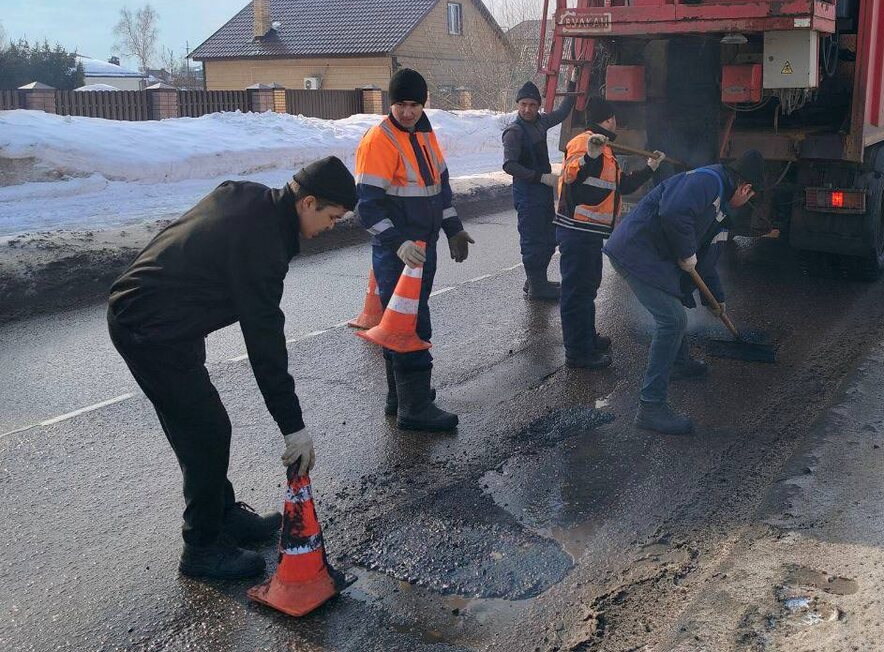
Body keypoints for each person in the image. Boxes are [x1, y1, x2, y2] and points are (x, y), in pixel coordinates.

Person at [107, 156, 357, 580]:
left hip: (168, 320)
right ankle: (201, 549)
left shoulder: (253, 198)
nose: (332, 227)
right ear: (307, 202)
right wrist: (292, 426)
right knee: (206, 432)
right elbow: (265, 343)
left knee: (200, 427)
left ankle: (222, 515)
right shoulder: (263, 244)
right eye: (332, 217)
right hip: (148, 326)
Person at [604, 150, 763, 434]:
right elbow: (673, 212)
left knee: (677, 299)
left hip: (653, 258)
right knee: (672, 320)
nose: (745, 202)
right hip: (635, 252)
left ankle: (679, 363)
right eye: (749, 197)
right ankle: (650, 407)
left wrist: (718, 300)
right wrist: (687, 252)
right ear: (745, 188)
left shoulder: (721, 206)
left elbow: (708, 263)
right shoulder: (709, 181)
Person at [356, 67, 475, 432]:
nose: (407, 112)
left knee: (404, 322)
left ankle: (402, 398)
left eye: (414, 104)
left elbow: (439, 187)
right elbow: (367, 207)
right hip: (400, 252)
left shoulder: (424, 134)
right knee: (411, 325)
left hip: (423, 247)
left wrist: (452, 227)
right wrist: (398, 243)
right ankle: (415, 408)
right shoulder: (380, 140)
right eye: (400, 104)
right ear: (391, 104)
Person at [555, 96, 664, 369]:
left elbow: (622, 187)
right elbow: (572, 174)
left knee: (588, 287)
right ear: (609, 118)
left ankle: (587, 338)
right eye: (614, 117)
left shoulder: (606, 149)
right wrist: (589, 157)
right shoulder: (586, 142)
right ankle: (577, 353)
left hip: (590, 233)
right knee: (577, 291)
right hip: (577, 229)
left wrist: (649, 168)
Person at [501, 80, 574, 300]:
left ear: (538, 106)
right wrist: (540, 177)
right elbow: (509, 165)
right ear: (518, 105)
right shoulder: (514, 132)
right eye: (523, 104)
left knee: (549, 238)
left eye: (532, 104)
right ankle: (537, 288)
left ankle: (535, 280)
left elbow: (562, 113)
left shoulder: (541, 123)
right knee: (533, 240)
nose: (527, 109)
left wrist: (572, 83)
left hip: (542, 193)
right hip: (527, 194)